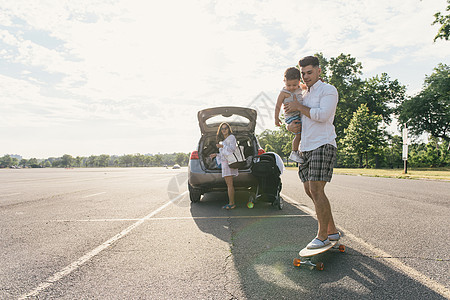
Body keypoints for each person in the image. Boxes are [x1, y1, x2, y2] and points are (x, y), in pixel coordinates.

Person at [284, 55, 340, 249]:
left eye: (309, 72)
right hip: (305, 147)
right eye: (303, 73)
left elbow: (323, 116)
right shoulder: (302, 94)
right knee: (310, 190)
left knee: (317, 189)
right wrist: (290, 127)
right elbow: (295, 120)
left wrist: (299, 106)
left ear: (319, 70)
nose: (306, 76)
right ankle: (332, 230)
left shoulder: (328, 90)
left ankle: (322, 235)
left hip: (323, 144)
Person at [274, 67, 305, 163]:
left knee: (303, 134)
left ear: (299, 81)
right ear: (284, 81)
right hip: (291, 117)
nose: (292, 88)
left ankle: (298, 150)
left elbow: (310, 87)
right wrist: (276, 118)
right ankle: (294, 152)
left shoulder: (300, 87)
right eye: (289, 85)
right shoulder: (283, 93)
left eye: (294, 85)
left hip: (299, 114)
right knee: (299, 135)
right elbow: (278, 106)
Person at [210, 122, 239, 210]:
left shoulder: (231, 137)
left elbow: (232, 150)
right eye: (222, 128)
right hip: (225, 163)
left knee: (229, 184)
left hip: (228, 163)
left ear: (229, 129)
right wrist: (216, 154)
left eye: (225, 128)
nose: (224, 130)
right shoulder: (224, 140)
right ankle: (231, 202)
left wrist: (222, 146)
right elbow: (224, 154)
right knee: (229, 184)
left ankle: (231, 203)